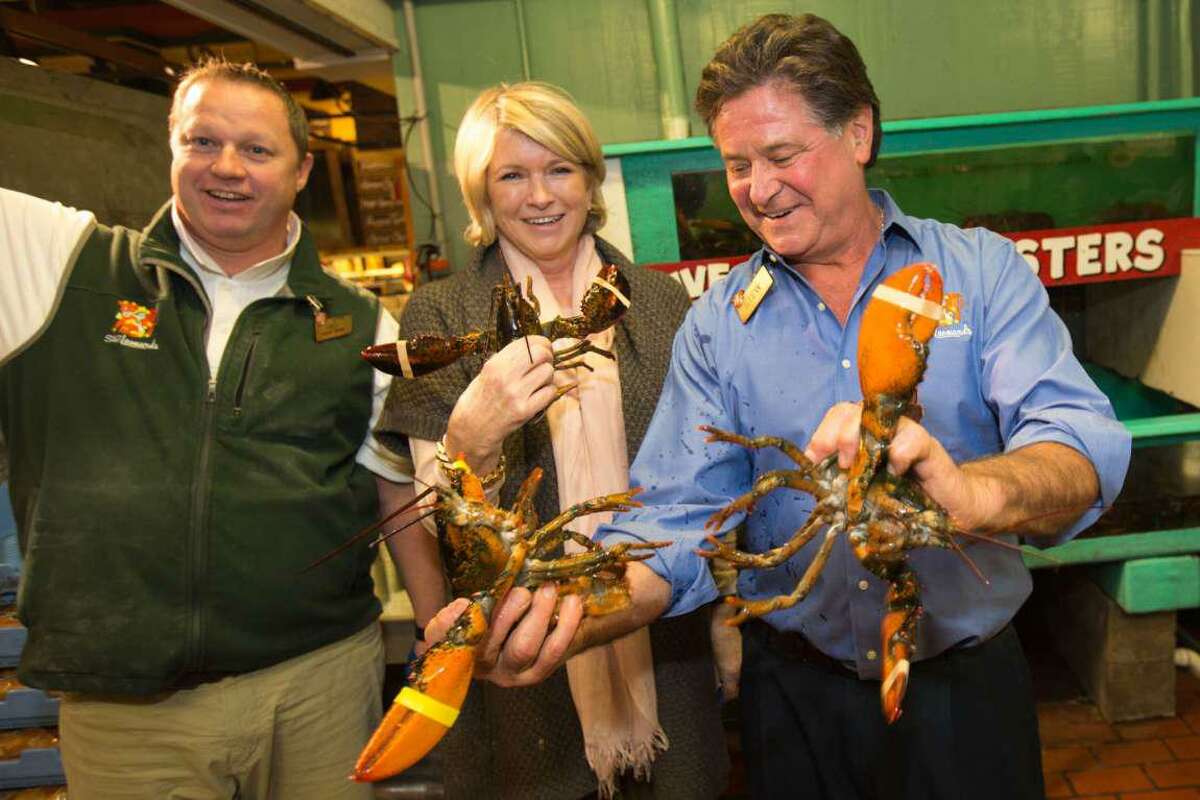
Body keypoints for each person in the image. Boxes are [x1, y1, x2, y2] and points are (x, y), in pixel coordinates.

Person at [427, 14, 1133, 800]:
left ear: (859, 132)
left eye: (782, 155)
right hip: (794, 702)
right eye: (736, 165)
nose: (758, 190)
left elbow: (1081, 446)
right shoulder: (717, 323)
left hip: (963, 691)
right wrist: (562, 617)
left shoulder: (982, 270)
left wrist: (974, 494)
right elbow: (672, 525)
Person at [0, 59, 438, 799]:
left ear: (301, 171)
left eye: (256, 150)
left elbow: (395, 494)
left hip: (317, 686)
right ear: (170, 147)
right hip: (127, 707)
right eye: (202, 142)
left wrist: (438, 626)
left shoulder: (364, 326)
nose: (226, 169)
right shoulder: (60, 266)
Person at [376, 81, 729, 800]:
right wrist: (470, 437)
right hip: (517, 642)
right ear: (482, 192)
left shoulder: (660, 300)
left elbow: (705, 483)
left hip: (663, 634)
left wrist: (726, 621)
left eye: (559, 169)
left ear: (590, 177)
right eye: (512, 175)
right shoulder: (441, 312)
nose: (540, 195)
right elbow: (432, 518)